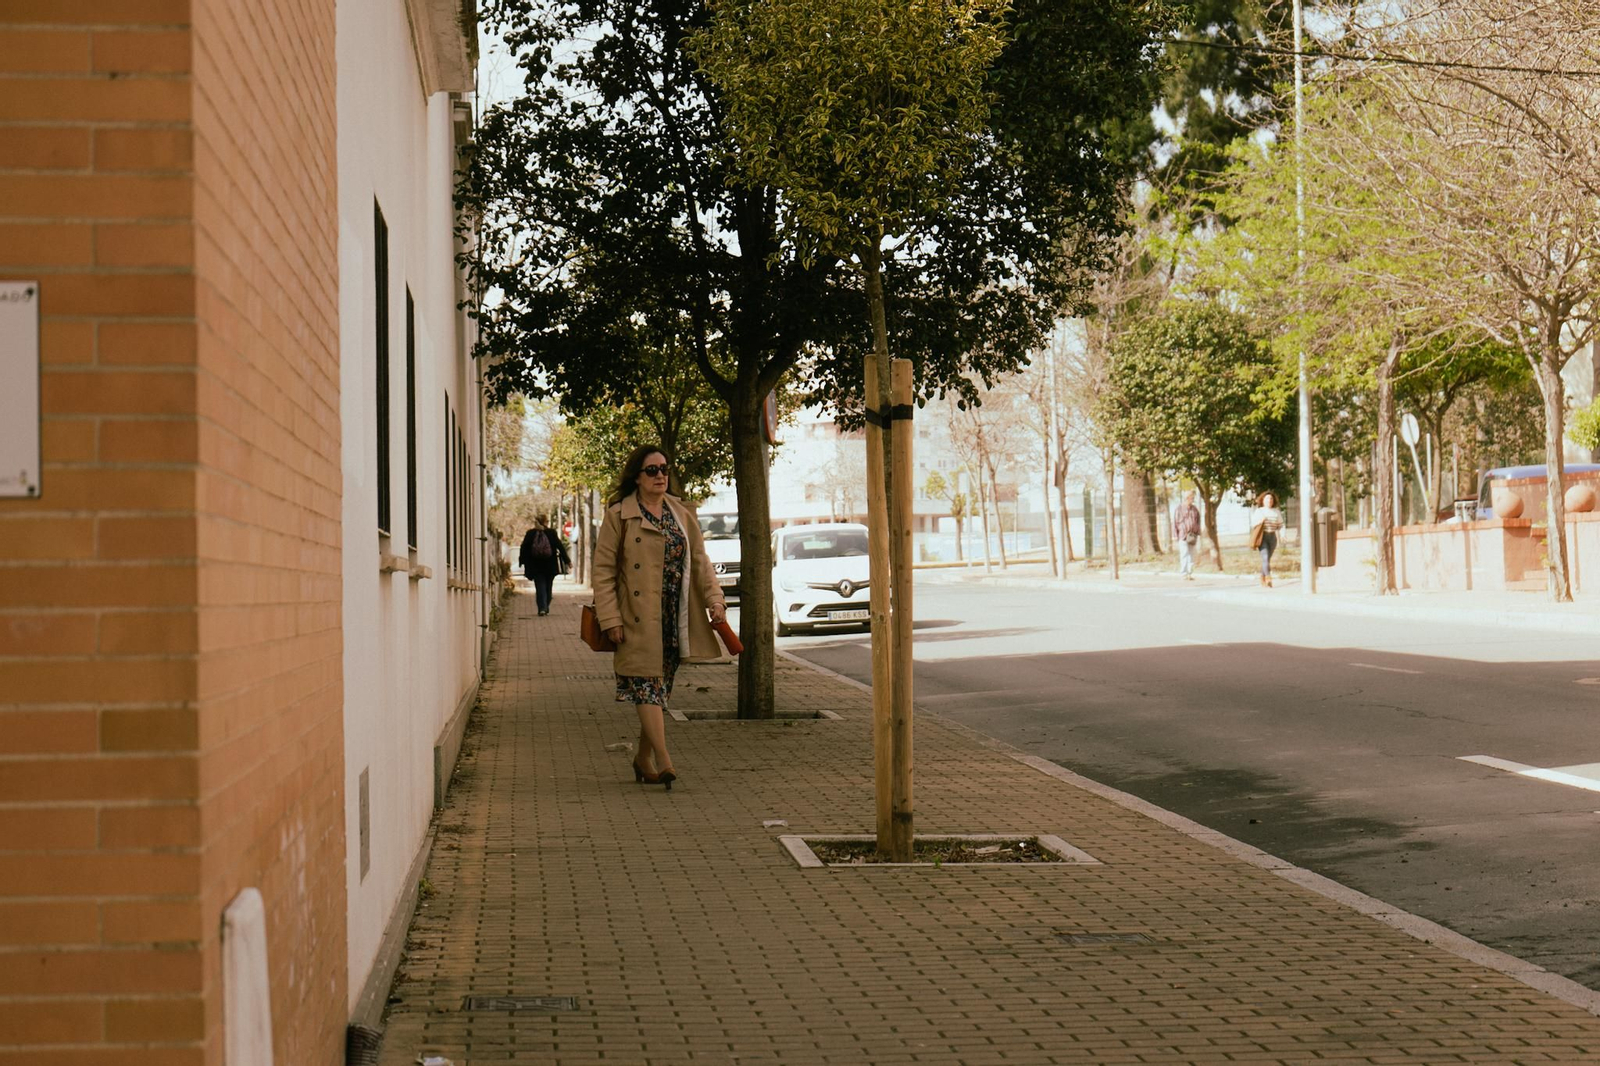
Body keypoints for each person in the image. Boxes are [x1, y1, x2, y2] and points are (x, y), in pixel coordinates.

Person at [593, 446, 727, 790]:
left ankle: (642, 758)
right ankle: (665, 760)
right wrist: (610, 619)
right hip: (635, 618)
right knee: (647, 689)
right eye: (651, 470)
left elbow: (700, 561)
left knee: (658, 691)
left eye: (664, 469)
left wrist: (715, 600)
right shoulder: (618, 516)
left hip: (674, 616)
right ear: (636, 477)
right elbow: (604, 571)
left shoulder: (681, 514)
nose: (660, 476)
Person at [519, 515, 571, 616]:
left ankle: (542, 608)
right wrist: (567, 561)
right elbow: (560, 546)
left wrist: (522, 561)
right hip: (550, 566)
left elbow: (524, 548)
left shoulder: (530, 533)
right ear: (545, 522)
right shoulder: (551, 533)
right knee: (548, 587)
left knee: (540, 587)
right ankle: (545, 606)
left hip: (535, 566)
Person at [1251, 492, 1285, 587]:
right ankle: (1268, 578)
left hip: (1272, 537)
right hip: (1262, 537)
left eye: (1271, 499)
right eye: (1267, 499)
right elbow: (1253, 523)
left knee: (1267, 559)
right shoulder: (1259, 511)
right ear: (1263, 500)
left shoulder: (1276, 512)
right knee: (1265, 557)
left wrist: (1282, 535)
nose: (1269, 501)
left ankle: (1262, 576)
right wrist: (1260, 521)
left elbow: (1281, 525)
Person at [1173, 491, 1202, 580]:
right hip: (1183, 535)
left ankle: (1190, 573)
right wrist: (1175, 535)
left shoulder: (1194, 509)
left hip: (1192, 535)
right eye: (1191, 498)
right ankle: (1183, 573)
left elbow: (1198, 520)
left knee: (1191, 554)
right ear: (1187, 498)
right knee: (1184, 553)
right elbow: (1175, 522)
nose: (1193, 500)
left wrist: (1198, 532)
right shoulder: (1179, 509)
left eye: (1193, 498)